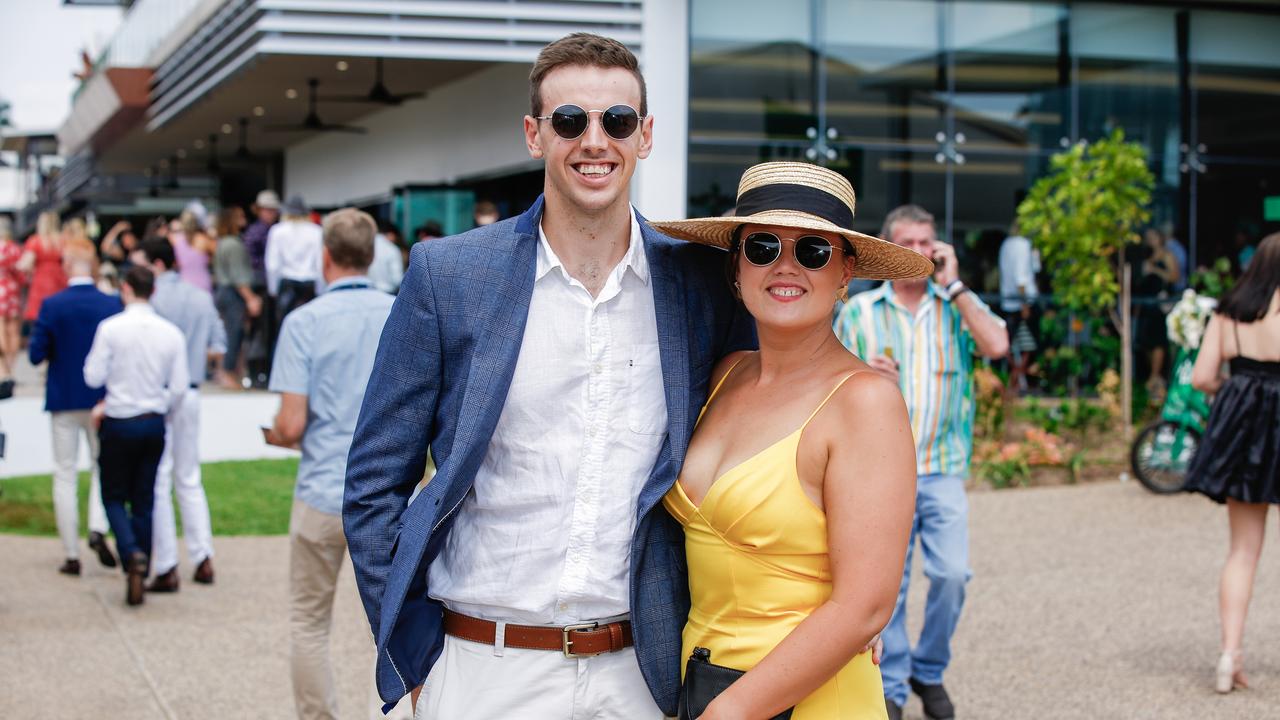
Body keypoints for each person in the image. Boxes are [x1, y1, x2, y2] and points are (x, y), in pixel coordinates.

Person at [343, 33, 753, 718]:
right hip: (482, 669)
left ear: (645, 135)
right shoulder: (449, 277)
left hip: (641, 676)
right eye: (570, 121)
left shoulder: (700, 283)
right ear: (535, 135)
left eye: (616, 120)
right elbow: (372, 484)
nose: (595, 140)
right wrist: (416, 658)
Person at [649, 162, 927, 718]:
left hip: (807, 701)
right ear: (736, 266)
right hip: (697, 685)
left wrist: (728, 714)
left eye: (814, 252)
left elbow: (864, 608)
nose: (785, 266)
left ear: (846, 271)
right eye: (763, 247)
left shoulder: (865, 402)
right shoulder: (725, 374)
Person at [834, 204, 1009, 720]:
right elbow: (823, 382)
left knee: (953, 575)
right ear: (889, 248)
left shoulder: (955, 306)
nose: (918, 252)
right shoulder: (861, 313)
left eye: (926, 243)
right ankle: (892, 682)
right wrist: (861, 374)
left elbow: (998, 344)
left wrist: (956, 287)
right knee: (890, 584)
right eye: (907, 243)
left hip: (942, 467)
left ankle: (929, 671)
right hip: (878, 474)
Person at [262, 208, 406, 720]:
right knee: (392, 625)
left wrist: (276, 435)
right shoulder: (402, 311)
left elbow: (292, 424)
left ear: (325, 257)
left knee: (308, 620)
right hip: (392, 493)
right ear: (371, 255)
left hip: (324, 488)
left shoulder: (303, 323)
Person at [1183, 232, 1280, 694]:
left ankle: (1229, 655)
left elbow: (1202, 377)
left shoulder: (1229, 311)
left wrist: (1241, 392)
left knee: (1242, 551)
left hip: (1246, 437)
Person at [83, 266, 189, 606]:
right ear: (153, 289)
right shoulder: (170, 333)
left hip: (119, 418)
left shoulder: (111, 329)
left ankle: (131, 553)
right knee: (144, 497)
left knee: (113, 494)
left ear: (126, 288)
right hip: (152, 419)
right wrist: (161, 408)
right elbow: (178, 387)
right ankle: (140, 562)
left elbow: (92, 375)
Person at [28, 240, 122, 575]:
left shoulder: (53, 305)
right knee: (102, 467)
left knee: (65, 472)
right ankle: (98, 526)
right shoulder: (111, 304)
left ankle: (71, 552)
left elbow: (36, 353)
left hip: (64, 397)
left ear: (67, 266)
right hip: (100, 400)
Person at [143, 239, 225, 591]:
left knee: (160, 478)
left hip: (159, 392)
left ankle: (166, 564)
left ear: (155, 264)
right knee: (189, 476)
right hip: (191, 389)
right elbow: (218, 345)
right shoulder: (201, 297)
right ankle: (202, 555)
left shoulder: (153, 299)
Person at [213, 206, 261, 389]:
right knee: (234, 333)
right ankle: (227, 372)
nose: (244, 218)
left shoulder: (225, 242)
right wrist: (250, 298)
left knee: (231, 332)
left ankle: (227, 371)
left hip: (226, 292)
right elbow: (238, 275)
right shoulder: (232, 244)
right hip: (232, 293)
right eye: (239, 215)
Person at [266, 195, 324, 327]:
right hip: (309, 284)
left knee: (285, 327)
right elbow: (320, 263)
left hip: (287, 284)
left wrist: (273, 289)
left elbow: (272, 264)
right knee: (309, 326)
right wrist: (320, 289)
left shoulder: (277, 231)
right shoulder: (316, 231)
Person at [243, 190, 281, 388]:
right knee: (260, 331)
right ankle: (257, 372)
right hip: (260, 287)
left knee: (267, 331)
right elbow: (251, 261)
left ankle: (261, 371)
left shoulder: (273, 230)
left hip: (267, 286)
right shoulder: (257, 232)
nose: (271, 213)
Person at [998, 223, 1040, 394]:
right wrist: (1025, 304)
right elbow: (1021, 278)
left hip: (1007, 303)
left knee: (1011, 346)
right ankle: (1022, 383)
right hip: (1022, 303)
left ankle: (1014, 381)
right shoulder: (1023, 245)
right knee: (1029, 347)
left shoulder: (1006, 245)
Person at [20, 211, 68, 324]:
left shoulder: (35, 241)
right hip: (60, 278)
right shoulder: (63, 240)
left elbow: (25, 265)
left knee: (41, 316)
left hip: (41, 280)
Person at [0, 216, 26, 383]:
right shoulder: (15, 249)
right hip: (13, 290)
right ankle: (10, 366)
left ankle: (3, 369)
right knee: (14, 331)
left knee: (1, 329)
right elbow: (22, 275)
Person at [171, 207, 215, 294]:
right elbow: (218, 257)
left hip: (183, 284)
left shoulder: (175, 240)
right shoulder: (204, 240)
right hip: (203, 284)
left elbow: (175, 262)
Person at [368, 224, 405, 294]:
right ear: (391, 234)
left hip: (369, 291)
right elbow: (397, 279)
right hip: (388, 292)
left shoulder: (367, 246)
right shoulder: (392, 249)